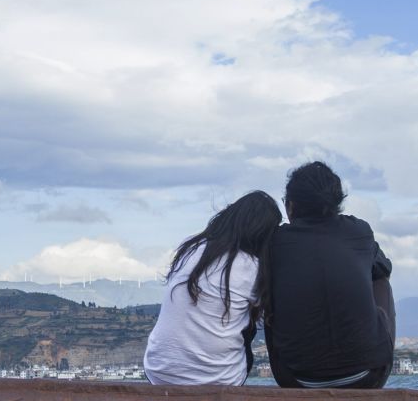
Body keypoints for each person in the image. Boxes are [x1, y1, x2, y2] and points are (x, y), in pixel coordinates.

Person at [262, 161, 395, 389]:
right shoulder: (359, 232)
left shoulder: (273, 241)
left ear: (290, 206)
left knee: (268, 291)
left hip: (294, 380)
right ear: (337, 202)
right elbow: (384, 269)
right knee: (379, 278)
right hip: (369, 377)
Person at [143, 191, 282, 385]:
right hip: (218, 380)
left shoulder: (190, 247)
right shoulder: (252, 268)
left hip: (159, 372)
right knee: (250, 320)